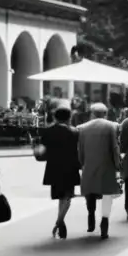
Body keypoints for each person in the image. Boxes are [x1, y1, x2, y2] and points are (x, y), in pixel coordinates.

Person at [78, 103, 121, 239]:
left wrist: (81, 163)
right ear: (105, 113)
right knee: (107, 194)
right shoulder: (111, 126)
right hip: (106, 165)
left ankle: (91, 215)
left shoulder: (82, 128)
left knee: (90, 192)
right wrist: (117, 164)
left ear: (91, 113)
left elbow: (80, 149)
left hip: (89, 164)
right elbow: (114, 147)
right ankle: (105, 221)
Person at [39, 101, 80, 240]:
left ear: (55, 117)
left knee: (60, 197)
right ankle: (59, 221)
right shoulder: (74, 132)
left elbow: (42, 150)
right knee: (67, 197)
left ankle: (60, 221)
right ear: (69, 118)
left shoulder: (47, 131)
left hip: (53, 167)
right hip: (70, 167)